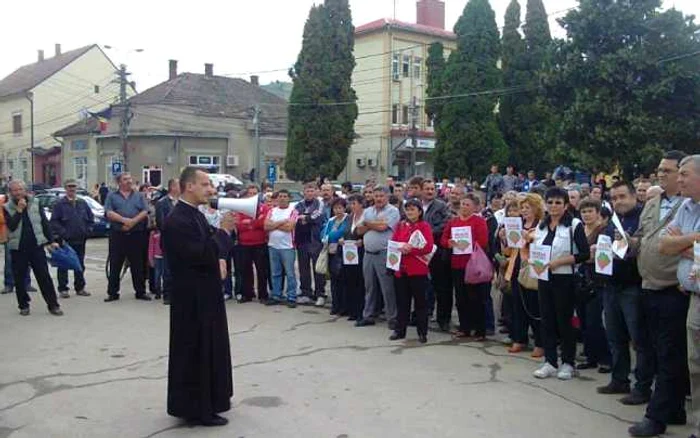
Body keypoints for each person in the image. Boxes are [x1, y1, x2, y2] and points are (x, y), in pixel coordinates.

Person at [627, 152, 694, 437]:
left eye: (671, 170)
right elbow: (659, 241)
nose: (664, 175)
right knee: (657, 349)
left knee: (669, 355)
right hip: (649, 284)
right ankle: (674, 408)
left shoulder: (687, 205)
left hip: (674, 288)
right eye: (661, 170)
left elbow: (679, 246)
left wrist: (682, 243)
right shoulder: (654, 203)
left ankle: (657, 416)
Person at [161, 167, 233, 426]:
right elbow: (201, 254)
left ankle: (208, 402)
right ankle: (199, 409)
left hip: (204, 294)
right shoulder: (177, 220)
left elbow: (209, 246)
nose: (210, 190)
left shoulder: (194, 215)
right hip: (192, 299)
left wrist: (221, 250)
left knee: (208, 349)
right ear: (189, 186)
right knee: (196, 351)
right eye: (205, 184)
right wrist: (224, 232)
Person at [596, 181, 655, 407]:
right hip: (611, 285)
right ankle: (619, 379)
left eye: (622, 196)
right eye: (614, 198)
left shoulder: (642, 218)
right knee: (615, 336)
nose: (618, 201)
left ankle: (642, 387)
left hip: (633, 286)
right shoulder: (613, 221)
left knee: (639, 340)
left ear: (633, 196)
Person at [656, 154, 700, 438]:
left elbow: (676, 245)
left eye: (684, 174)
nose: (678, 179)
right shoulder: (686, 207)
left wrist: (682, 244)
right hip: (695, 300)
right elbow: (665, 245)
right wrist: (694, 241)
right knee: (695, 365)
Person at [531, 187, 590, 380]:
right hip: (543, 277)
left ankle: (568, 362)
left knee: (564, 320)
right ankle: (550, 361)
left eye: (558, 202)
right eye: (550, 202)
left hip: (564, 278)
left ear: (566, 205)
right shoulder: (541, 226)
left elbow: (584, 253)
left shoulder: (574, 225)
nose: (554, 206)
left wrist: (560, 261)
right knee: (546, 319)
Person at [3, 180, 63, 316]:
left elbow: (44, 222)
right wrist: (18, 210)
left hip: (36, 245)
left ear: (25, 190)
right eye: (14, 190)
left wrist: (51, 240)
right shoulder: (6, 207)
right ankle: (23, 305)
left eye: (20, 189)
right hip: (18, 247)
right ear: (10, 192)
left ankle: (53, 305)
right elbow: (11, 226)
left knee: (44, 276)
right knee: (19, 278)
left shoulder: (35, 202)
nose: (17, 193)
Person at [441, 194, 490, 340]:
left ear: (474, 207)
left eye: (467, 204)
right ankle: (464, 327)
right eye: (462, 204)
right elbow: (444, 239)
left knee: (475, 297)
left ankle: (480, 330)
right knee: (460, 297)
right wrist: (449, 243)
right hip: (457, 263)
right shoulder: (453, 221)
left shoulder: (479, 221)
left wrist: (468, 244)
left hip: (473, 264)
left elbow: (483, 241)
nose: (464, 207)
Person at [504, 195, 544, 357]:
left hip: (533, 269)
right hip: (516, 267)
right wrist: (505, 238)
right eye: (523, 208)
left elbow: (542, 245)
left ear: (536, 209)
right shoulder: (517, 225)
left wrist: (529, 239)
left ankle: (540, 343)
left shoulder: (541, 226)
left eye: (528, 207)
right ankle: (519, 339)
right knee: (517, 306)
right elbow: (508, 250)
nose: (525, 211)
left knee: (534, 307)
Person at [355, 186, 401, 329]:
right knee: (369, 287)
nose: (379, 198)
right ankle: (368, 315)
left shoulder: (393, 211)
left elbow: (383, 227)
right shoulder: (368, 211)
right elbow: (358, 230)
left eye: (382, 196)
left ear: (387, 197)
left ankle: (392, 317)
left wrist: (368, 224)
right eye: (376, 196)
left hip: (384, 253)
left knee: (387, 288)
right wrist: (373, 224)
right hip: (368, 254)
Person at [389, 199, 434, 343]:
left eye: (413, 209)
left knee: (421, 303)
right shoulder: (400, 225)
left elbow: (428, 247)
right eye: (407, 209)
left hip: (417, 269)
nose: (409, 212)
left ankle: (422, 332)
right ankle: (400, 330)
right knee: (402, 303)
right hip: (401, 269)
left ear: (419, 211)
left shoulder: (424, 226)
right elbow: (394, 242)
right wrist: (398, 248)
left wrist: (411, 250)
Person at [574, 198, 611, 373]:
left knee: (595, 321)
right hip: (581, 279)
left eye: (590, 211)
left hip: (598, 280)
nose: (587, 214)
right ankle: (590, 356)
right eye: (584, 211)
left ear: (598, 213)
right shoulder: (580, 229)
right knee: (584, 320)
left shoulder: (603, 230)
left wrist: (585, 255)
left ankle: (605, 358)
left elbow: (599, 255)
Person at [104, 172, 151, 302]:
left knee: (138, 264)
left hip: (136, 234)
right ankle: (113, 292)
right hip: (118, 234)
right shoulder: (112, 196)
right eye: (125, 179)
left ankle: (140, 292)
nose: (129, 181)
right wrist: (125, 221)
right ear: (119, 182)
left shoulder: (139, 196)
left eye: (130, 179)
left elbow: (145, 211)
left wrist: (133, 222)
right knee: (115, 263)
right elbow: (109, 212)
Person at [49, 179, 94, 298]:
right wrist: (63, 233)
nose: (72, 189)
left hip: (81, 238)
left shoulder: (82, 203)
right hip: (65, 240)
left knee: (80, 264)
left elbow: (90, 218)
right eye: (69, 186)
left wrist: (88, 230)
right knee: (63, 264)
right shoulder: (59, 204)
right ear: (65, 188)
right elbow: (54, 221)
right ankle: (63, 289)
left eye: (74, 186)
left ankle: (80, 287)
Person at [421, 179, 451, 332]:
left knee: (441, 286)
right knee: (422, 285)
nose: (430, 191)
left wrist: (429, 232)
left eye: (432, 189)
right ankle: (422, 315)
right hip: (419, 251)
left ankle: (443, 319)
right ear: (421, 190)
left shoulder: (441, 206)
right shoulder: (416, 205)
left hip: (437, 251)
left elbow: (446, 222)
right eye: (427, 189)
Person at [265, 190, 299, 307]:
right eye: (280, 196)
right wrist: (281, 222)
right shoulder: (271, 211)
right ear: (277, 198)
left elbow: (289, 227)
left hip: (287, 247)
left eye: (285, 196)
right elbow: (266, 226)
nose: (282, 198)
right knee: (275, 273)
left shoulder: (293, 211)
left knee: (290, 273)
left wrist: (274, 225)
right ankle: (276, 295)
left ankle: (291, 296)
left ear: (289, 198)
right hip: (273, 246)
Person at [295, 183, 327, 306]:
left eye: (312, 190)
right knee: (303, 269)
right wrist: (303, 218)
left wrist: (306, 218)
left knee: (317, 269)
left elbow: (318, 216)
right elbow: (295, 216)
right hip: (301, 241)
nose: (309, 193)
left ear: (315, 192)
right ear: (304, 192)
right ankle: (305, 293)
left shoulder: (320, 203)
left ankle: (320, 294)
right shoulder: (299, 204)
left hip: (315, 241)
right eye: (307, 191)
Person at [237, 184, 270, 304]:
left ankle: (263, 295)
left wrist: (250, 223)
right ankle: (248, 294)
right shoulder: (241, 208)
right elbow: (239, 225)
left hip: (260, 243)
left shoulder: (264, 208)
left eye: (254, 193)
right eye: (250, 193)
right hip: (244, 244)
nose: (252, 195)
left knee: (262, 270)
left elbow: (263, 223)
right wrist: (255, 223)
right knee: (246, 270)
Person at [339, 194, 365, 321]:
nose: (352, 206)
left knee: (360, 282)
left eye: (354, 203)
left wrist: (362, 241)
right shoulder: (349, 218)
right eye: (351, 204)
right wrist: (342, 239)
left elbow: (369, 233)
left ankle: (361, 311)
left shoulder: (366, 217)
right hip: (349, 252)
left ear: (361, 204)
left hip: (361, 252)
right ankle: (352, 310)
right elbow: (345, 232)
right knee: (350, 281)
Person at [155, 179, 179, 305]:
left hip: (183, 241)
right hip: (169, 240)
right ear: (172, 187)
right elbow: (161, 223)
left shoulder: (182, 202)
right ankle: (167, 295)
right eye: (178, 185)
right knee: (168, 269)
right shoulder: (162, 203)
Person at [322, 198, 349, 316]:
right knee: (333, 280)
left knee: (343, 280)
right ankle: (335, 305)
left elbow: (340, 233)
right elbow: (322, 234)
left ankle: (344, 306)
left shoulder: (347, 219)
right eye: (336, 208)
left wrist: (329, 237)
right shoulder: (331, 220)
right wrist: (329, 237)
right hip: (330, 252)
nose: (338, 210)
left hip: (342, 252)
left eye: (340, 208)